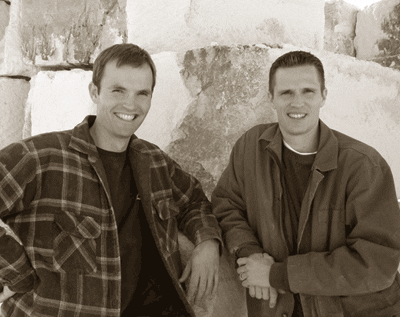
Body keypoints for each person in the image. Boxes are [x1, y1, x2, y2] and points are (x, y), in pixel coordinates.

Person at [0, 43, 222, 317]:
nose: (131, 104)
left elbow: (195, 202)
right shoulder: (40, 157)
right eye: (118, 90)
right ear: (95, 92)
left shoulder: (154, 162)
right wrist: (17, 273)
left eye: (142, 93)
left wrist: (207, 244)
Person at [212, 50, 400, 317]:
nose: (297, 102)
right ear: (271, 98)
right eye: (286, 92)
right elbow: (226, 204)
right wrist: (250, 253)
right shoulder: (250, 147)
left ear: (324, 95)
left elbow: (377, 263)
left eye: (308, 91)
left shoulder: (363, 165)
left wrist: (277, 275)